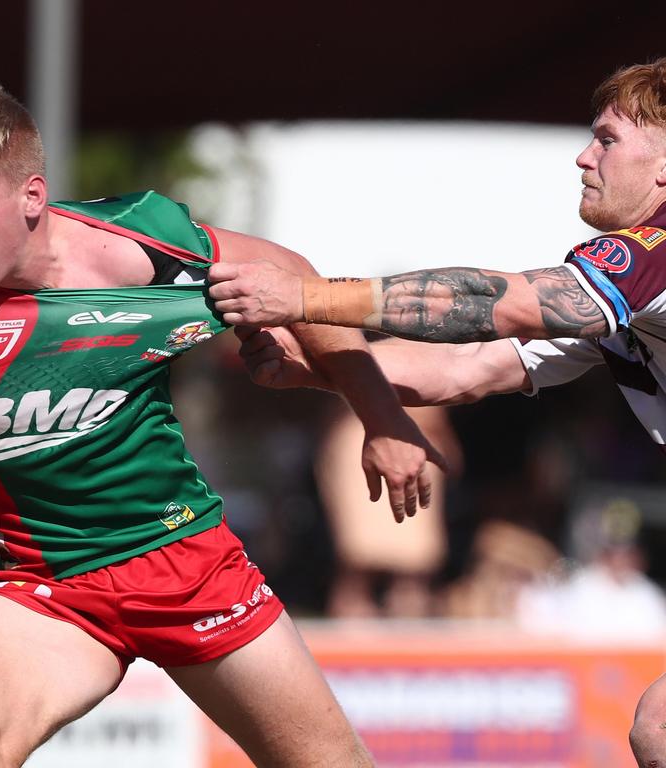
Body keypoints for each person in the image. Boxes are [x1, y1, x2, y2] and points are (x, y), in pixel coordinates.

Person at [0, 82, 444, 767]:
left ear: (32, 197)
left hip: (187, 563)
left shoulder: (143, 243)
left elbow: (296, 278)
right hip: (43, 587)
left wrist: (379, 416)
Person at [206, 57, 666, 764]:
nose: (583, 155)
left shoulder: (653, 251)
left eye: (606, 139)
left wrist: (308, 298)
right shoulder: (630, 294)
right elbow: (470, 369)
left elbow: (501, 304)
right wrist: (319, 370)